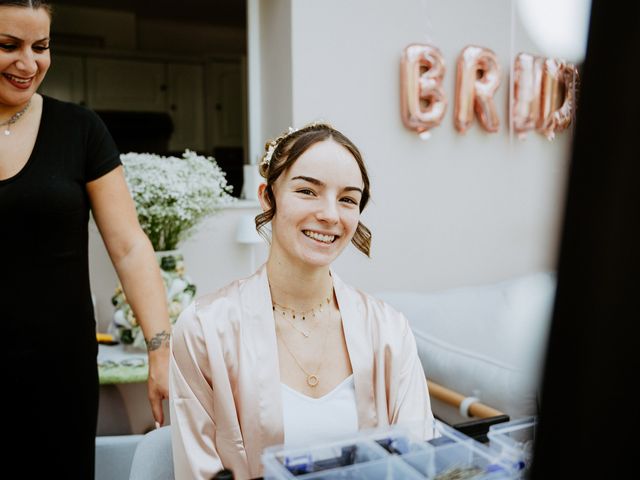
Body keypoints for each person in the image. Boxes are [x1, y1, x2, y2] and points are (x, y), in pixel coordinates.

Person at [170, 122, 437, 480]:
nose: (329, 214)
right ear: (268, 196)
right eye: (308, 191)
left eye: (347, 199)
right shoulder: (204, 330)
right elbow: (197, 471)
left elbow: (418, 462)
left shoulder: (388, 330)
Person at [0, 1, 171, 477]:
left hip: (59, 373)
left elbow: (129, 245)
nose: (28, 63)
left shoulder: (80, 129)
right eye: (8, 46)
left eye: (41, 46)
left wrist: (161, 349)